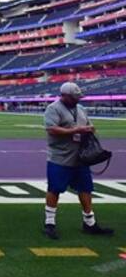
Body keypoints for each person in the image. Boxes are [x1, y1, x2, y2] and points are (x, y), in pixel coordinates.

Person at [43, 82, 114, 239]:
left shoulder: (81, 109)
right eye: (74, 97)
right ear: (65, 96)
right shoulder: (53, 108)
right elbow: (51, 129)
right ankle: (49, 223)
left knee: (85, 189)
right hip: (60, 157)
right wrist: (76, 130)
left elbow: (87, 124)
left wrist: (89, 128)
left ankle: (89, 222)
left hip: (80, 158)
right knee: (55, 189)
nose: (77, 100)